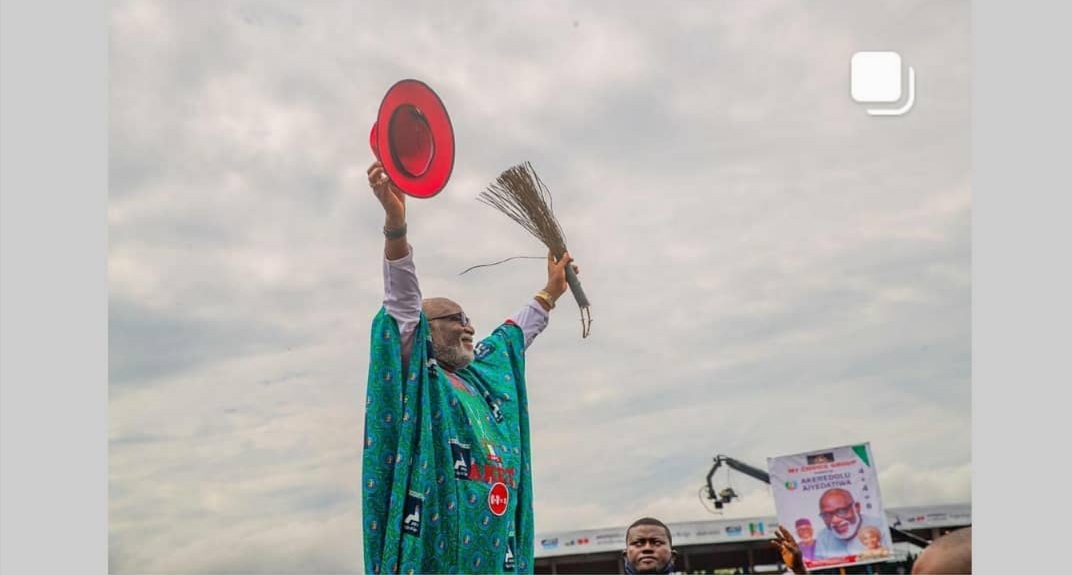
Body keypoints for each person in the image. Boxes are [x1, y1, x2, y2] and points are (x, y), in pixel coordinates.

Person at [361, 161, 578, 574]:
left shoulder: (480, 380)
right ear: (424, 332)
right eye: (456, 319)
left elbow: (512, 336)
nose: (469, 326)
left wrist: (550, 292)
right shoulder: (419, 382)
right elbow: (403, 303)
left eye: (468, 318)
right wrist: (395, 225)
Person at [813, 488, 891, 558]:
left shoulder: (880, 527)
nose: (835, 520)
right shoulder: (823, 537)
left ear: (856, 508)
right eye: (827, 515)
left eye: (841, 511)